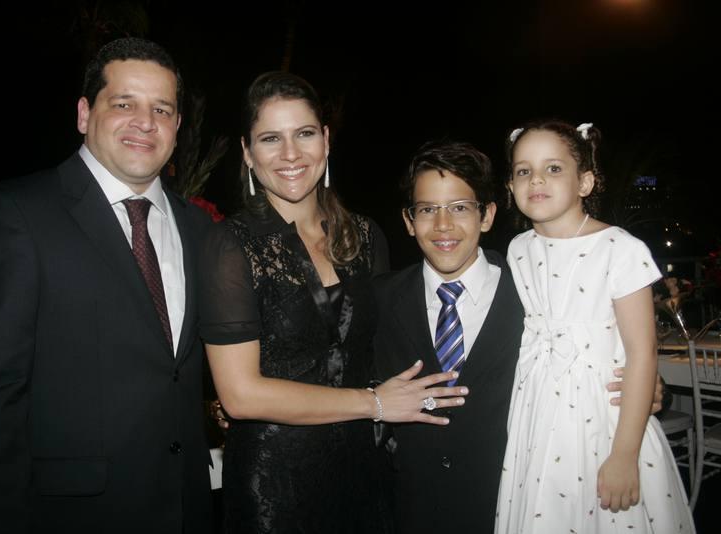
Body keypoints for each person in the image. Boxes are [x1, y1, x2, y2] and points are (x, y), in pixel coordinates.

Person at [0, 37, 213, 533]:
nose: (145, 122)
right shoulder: (14, 214)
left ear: (177, 126)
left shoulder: (198, 229)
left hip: (186, 510)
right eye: (124, 103)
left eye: (162, 109)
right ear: (85, 114)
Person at [197, 71, 466, 533]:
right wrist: (373, 403)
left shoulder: (366, 235)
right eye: (270, 138)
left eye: (303, 133)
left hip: (366, 475)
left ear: (325, 140)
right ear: (247, 152)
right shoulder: (230, 245)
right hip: (275, 487)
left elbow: (384, 350)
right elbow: (240, 396)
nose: (290, 154)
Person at [372, 140, 666, 534]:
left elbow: (595, 341)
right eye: (427, 209)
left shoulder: (531, 292)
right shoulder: (377, 299)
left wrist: (647, 388)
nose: (443, 225)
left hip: (516, 502)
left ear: (488, 215)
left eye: (460, 207)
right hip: (412, 509)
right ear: (409, 221)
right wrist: (374, 401)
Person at [495, 120, 695, 532]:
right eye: (523, 170)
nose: (536, 179)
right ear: (511, 187)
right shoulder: (517, 250)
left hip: (604, 418)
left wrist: (624, 454)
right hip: (535, 410)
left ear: (584, 182)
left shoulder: (620, 249)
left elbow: (642, 353)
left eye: (553, 168)